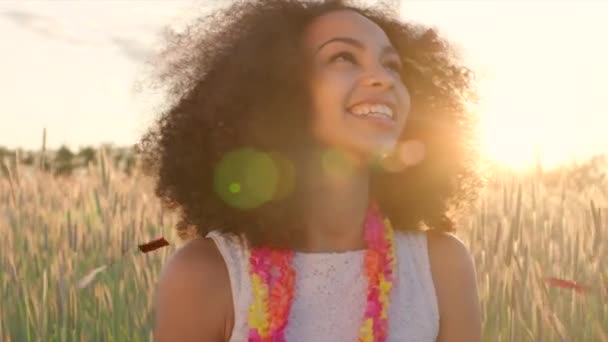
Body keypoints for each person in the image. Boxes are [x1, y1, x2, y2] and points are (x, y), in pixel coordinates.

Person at [138, 0, 482, 341]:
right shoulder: (207, 274)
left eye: (392, 65)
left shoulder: (440, 266)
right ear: (279, 89)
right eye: (343, 57)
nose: (383, 78)